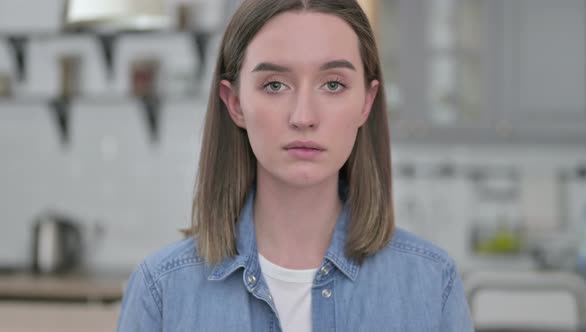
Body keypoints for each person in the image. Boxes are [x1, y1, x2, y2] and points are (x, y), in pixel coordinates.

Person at [117, 0, 474, 331]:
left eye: (333, 84)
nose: (304, 117)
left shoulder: (432, 283)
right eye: (275, 85)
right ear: (235, 103)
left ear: (366, 102)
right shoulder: (160, 289)